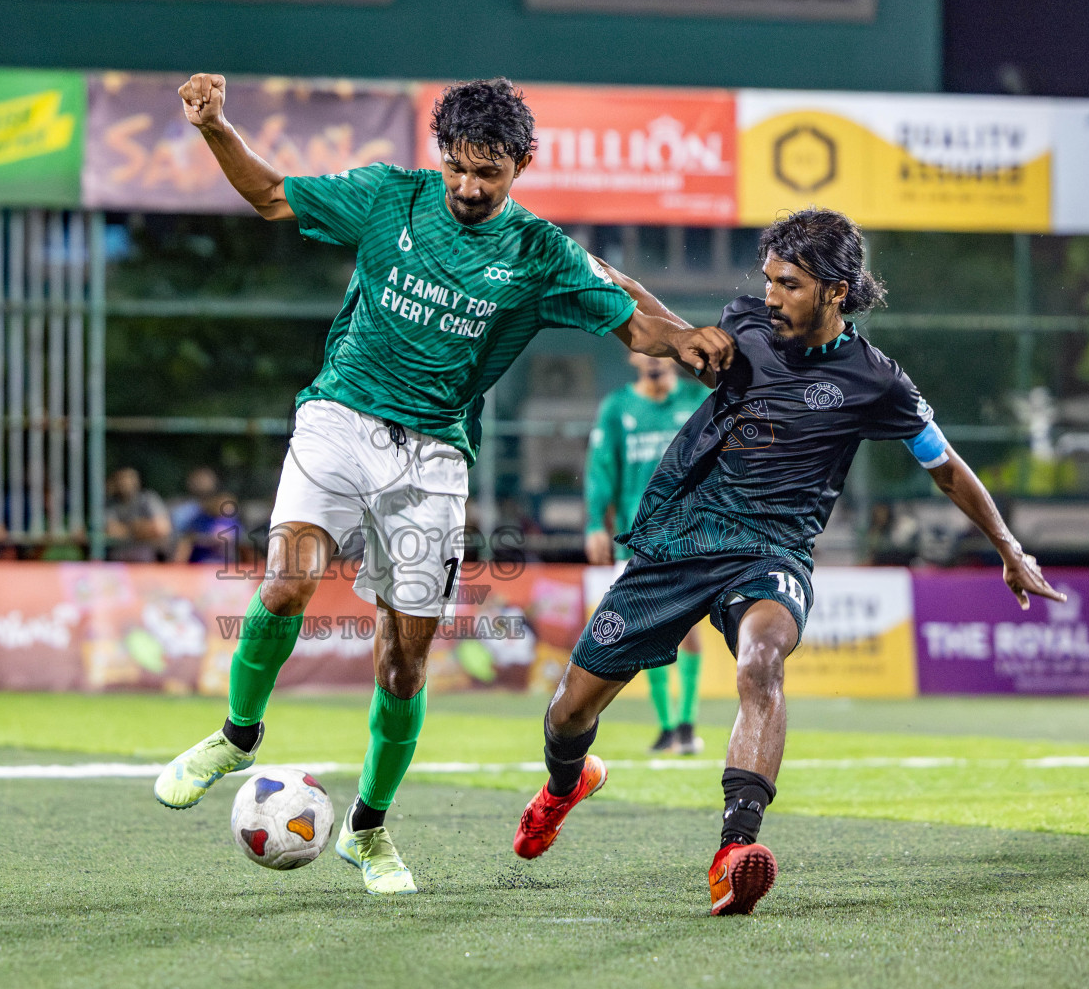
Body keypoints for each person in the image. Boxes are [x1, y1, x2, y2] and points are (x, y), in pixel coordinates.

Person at [153, 72, 733, 896]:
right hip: (340, 414)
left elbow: (627, 311)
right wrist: (214, 126)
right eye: (458, 166)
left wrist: (684, 340)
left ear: (521, 166)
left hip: (433, 456)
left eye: (487, 172)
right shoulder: (390, 198)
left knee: (403, 665)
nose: (468, 186)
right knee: (286, 582)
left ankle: (367, 831)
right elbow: (275, 196)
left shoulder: (538, 253)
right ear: (441, 156)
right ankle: (237, 738)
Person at [512, 208, 1066, 916]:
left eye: (789, 283)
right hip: (682, 540)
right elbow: (645, 307)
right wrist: (580, 260)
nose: (771, 295)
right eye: (768, 279)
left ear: (836, 290)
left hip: (772, 552)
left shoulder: (876, 381)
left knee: (761, 660)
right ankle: (565, 786)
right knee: (566, 715)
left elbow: (945, 465)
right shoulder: (743, 327)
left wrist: (1009, 549)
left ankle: (734, 850)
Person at [584, 352, 709, 755]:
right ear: (633, 356)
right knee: (648, 627)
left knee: (688, 627)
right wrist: (593, 524)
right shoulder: (618, 407)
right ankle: (667, 725)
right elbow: (601, 468)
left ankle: (686, 723)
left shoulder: (696, 400)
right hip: (636, 533)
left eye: (662, 352)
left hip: (688, 530)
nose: (654, 359)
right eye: (646, 351)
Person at [104, 467, 171, 562]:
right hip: (118, 557)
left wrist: (125, 530)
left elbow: (160, 529)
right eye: (121, 479)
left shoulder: (148, 499)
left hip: (147, 556)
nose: (124, 483)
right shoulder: (110, 504)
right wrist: (140, 528)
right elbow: (111, 530)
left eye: (128, 479)